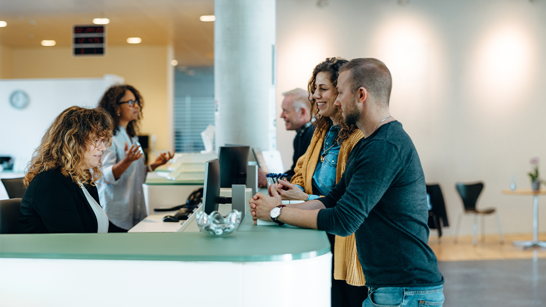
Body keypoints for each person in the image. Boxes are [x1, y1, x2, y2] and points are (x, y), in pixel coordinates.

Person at [250, 58, 444, 306]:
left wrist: (277, 212)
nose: (336, 101)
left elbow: (344, 219)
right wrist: (278, 209)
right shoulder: (369, 144)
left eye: (339, 92)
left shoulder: (384, 147)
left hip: (405, 292)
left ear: (361, 95)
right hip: (391, 288)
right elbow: (331, 201)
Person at [273, 57, 366, 307]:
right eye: (314, 89)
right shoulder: (322, 131)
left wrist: (302, 199)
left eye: (322, 89)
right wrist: (296, 189)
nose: (315, 96)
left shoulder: (358, 139)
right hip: (322, 232)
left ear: (341, 91)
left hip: (348, 245)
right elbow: (302, 170)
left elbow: (346, 203)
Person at [19, 106, 124, 233]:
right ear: (73, 142)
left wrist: (134, 236)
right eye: (96, 140)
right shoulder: (51, 183)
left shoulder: (81, 177)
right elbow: (74, 242)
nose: (103, 148)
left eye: (103, 140)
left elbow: (102, 225)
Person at [97, 85, 173, 231]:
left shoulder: (132, 137)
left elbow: (134, 173)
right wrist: (126, 161)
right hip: (115, 213)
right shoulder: (109, 137)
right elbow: (106, 176)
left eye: (137, 101)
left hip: (134, 209)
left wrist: (155, 165)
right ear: (116, 107)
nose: (136, 105)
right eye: (130, 102)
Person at [258, 88, 315, 186]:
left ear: (302, 112)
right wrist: (270, 177)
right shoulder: (300, 135)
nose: (281, 116)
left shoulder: (313, 136)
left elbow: (303, 178)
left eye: (285, 111)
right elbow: (295, 172)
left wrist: (268, 181)